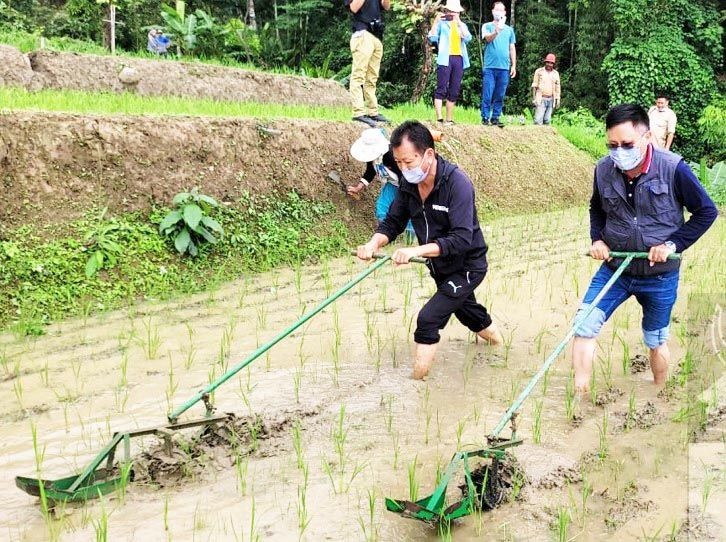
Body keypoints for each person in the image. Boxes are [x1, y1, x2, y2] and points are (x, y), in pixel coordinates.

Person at [571, 104, 717, 393]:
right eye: (612, 145)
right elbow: (596, 208)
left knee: (655, 338)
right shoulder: (602, 170)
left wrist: (672, 244)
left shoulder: (673, 168)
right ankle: (579, 395)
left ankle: (659, 394)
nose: (619, 151)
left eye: (627, 144)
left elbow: (706, 212)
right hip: (616, 269)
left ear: (647, 136)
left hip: (660, 275)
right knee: (583, 325)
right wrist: (597, 240)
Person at [356, 120, 504, 380]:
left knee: (428, 320)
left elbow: (460, 239)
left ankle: (417, 385)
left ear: (428, 154)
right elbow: (393, 221)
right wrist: (373, 243)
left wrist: (416, 251)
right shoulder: (408, 183)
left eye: (408, 162)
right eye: (398, 163)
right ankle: (500, 349)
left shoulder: (457, 184)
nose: (403, 169)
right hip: (440, 266)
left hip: (467, 267)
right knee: (468, 313)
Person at [345, 0, 391, 128]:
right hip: (362, 33)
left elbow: (386, 6)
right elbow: (353, 8)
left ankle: (372, 112)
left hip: (376, 36)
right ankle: (358, 112)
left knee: (372, 78)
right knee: (358, 75)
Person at [428, 0, 472, 126]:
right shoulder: (442, 23)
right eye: (450, 11)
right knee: (441, 87)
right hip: (445, 58)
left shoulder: (462, 25)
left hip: (459, 58)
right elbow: (432, 37)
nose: (452, 13)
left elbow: (468, 38)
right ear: (446, 11)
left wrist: (458, 23)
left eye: (455, 11)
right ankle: (439, 117)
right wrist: (436, 22)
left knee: (454, 89)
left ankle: (449, 118)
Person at [480, 1, 516, 127]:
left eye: (501, 10)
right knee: (488, 93)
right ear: (492, 11)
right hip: (490, 66)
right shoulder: (487, 26)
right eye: (497, 10)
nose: (499, 12)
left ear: (505, 13)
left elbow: (512, 47)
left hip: (504, 67)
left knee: (500, 94)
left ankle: (495, 117)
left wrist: (514, 65)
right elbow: (488, 39)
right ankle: (485, 117)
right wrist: (497, 31)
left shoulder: (509, 30)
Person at [531, 53, 561, 125]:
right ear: (545, 62)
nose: (549, 64)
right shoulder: (539, 71)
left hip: (551, 99)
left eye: (551, 63)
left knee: (547, 120)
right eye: (548, 62)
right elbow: (534, 86)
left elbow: (558, 88)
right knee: (538, 120)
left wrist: (558, 99)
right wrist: (534, 99)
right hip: (541, 98)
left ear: (553, 64)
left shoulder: (556, 73)